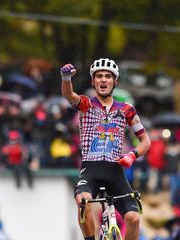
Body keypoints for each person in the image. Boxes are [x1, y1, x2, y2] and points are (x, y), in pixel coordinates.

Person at [61, 58, 151, 240]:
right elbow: (70, 96)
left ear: (114, 81)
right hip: (90, 170)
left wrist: (133, 155)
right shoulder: (86, 105)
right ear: (93, 82)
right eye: (99, 76)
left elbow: (145, 141)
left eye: (108, 76)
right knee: (83, 202)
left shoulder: (126, 110)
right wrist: (66, 79)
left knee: (133, 218)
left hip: (115, 171)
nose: (103, 80)